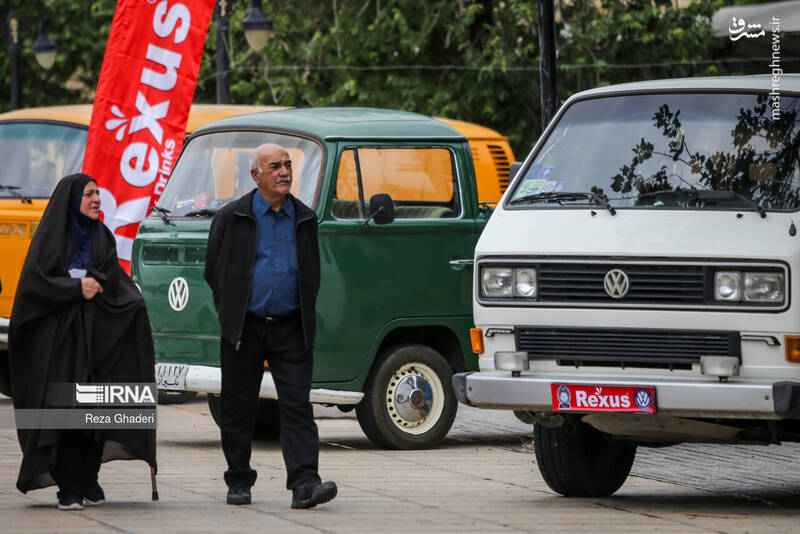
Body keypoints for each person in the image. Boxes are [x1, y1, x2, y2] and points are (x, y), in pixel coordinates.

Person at [8, 173, 157, 510]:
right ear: (71, 199)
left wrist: (133, 305)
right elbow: (35, 285)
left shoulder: (100, 236)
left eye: (98, 194)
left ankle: (88, 478)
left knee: (97, 413)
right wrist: (74, 289)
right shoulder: (51, 239)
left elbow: (111, 281)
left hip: (95, 345)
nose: (96, 200)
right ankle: (69, 487)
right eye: (89, 194)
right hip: (58, 347)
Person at [204, 143, 337, 508]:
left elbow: (312, 273)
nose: (284, 172)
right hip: (244, 328)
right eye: (275, 166)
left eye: (287, 165)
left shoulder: (305, 218)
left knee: (297, 406)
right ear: (256, 175)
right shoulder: (232, 217)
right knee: (238, 407)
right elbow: (213, 271)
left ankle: (305, 484)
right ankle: (239, 481)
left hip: (291, 327)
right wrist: (230, 312)